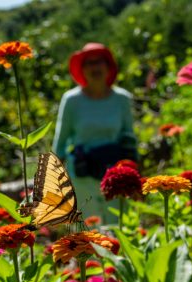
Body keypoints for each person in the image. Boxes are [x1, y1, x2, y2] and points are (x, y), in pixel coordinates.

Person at [52, 42, 137, 224]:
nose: (95, 67)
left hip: (115, 174)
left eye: (99, 62)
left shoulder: (121, 99)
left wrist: (134, 172)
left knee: (118, 225)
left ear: (108, 67)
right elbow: (61, 141)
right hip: (83, 173)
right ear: (82, 70)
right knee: (91, 229)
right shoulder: (71, 100)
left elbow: (129, 138)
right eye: (89, 63)